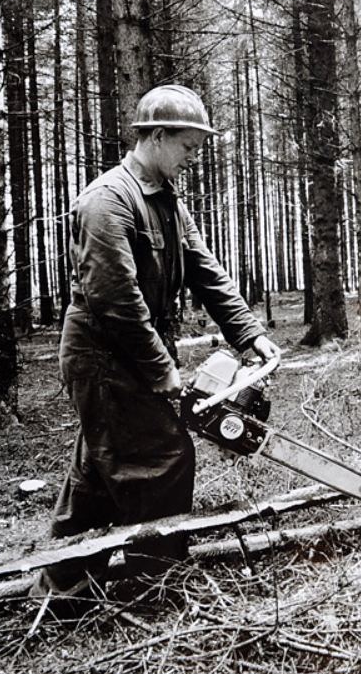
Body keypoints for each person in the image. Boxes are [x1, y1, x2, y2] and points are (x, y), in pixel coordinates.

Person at [31, 84, 278, 604]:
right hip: (103, 353)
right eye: (188, 147)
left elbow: (204, 271)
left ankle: (63, 587)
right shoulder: (107, 202)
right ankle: (155, 583)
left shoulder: (165, 200)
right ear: (158, 136)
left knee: (99, 468)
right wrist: (163, 372)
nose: (193, 158)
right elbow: (118, 302)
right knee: (163, 456)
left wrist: (249, 333)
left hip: (131, 348)